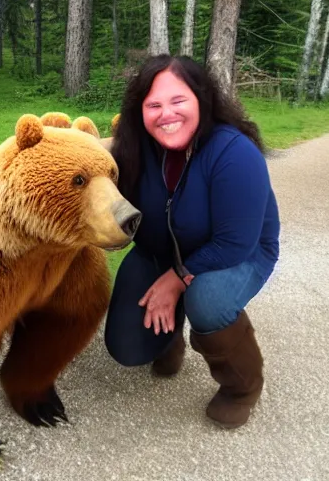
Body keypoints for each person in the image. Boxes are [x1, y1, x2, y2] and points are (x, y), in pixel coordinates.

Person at [104, 54, 280, 429]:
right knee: (127, 347)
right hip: (162, 250)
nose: (166, 114)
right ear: (140, 112)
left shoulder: (234, 152)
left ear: (201, 98)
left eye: (178, 100)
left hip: (237, 255)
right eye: (153, 105)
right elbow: (89, 167)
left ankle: (241, 387)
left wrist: (174, 280)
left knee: (208, 298)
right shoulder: (135, 148)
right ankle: (170, 338)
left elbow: (235, 242)